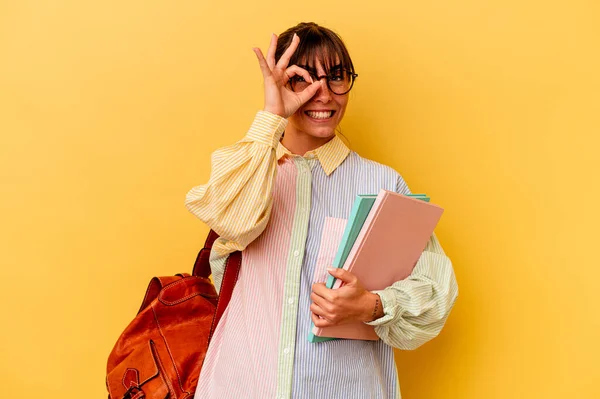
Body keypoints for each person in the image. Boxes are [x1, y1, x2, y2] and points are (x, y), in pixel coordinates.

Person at [185, 22, 458, 399]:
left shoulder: (383, 184)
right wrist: (272, 115)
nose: (323, 94)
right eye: (304, 79)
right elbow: (228, 216)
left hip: (343, 388)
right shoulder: (250, 170)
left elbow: (435, 291)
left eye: (336, 77)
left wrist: (371, 304)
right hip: (240, 384)